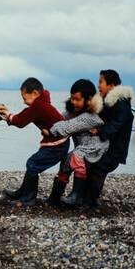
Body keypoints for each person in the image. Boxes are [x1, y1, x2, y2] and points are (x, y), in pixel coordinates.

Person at [0, 77, 70, 206]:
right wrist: (9, 115)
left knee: (32, 164)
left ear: (35, 93)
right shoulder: (41, 104)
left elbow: (20, 122)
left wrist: (7, 115)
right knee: (32, 164)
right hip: (59, 142)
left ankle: (29, 198)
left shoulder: (38, 105)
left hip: (57, 144)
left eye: (25, 98)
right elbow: (25, 114)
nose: (24, 101)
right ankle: (23, 193)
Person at [42, 79, 109, 207]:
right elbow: (60, 119)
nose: (74, 102)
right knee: (66, 162)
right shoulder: (74, 112)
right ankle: (55, 197)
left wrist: (51, 131)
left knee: (76, 157)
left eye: (77, 99)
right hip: (83, 147)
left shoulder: (91, 117)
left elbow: (68, 126)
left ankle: (76, 196)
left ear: (89, 100)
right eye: (72, 98)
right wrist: (45, 120)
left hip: (96, 148)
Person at [85, 70, 134, 207]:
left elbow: (117, 123)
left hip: (115, 149)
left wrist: (99, 131)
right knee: (93, 167)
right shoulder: (110, 102)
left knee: (99, 169)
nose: (98, 85)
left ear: (111, 85)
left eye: (101, 82)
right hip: (108, 146)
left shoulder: (120, 103)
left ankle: (90, 202)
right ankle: (86, 198)